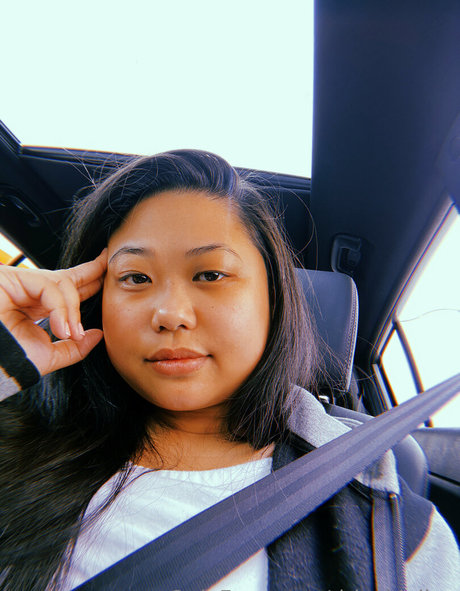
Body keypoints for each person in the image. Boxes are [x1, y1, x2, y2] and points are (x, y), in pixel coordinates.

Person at [0, 150, 458, 591]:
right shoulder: (21, 439)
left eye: (210, 275)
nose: (170, 314)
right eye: (136, 278)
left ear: (272, 297)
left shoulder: (390, 527)